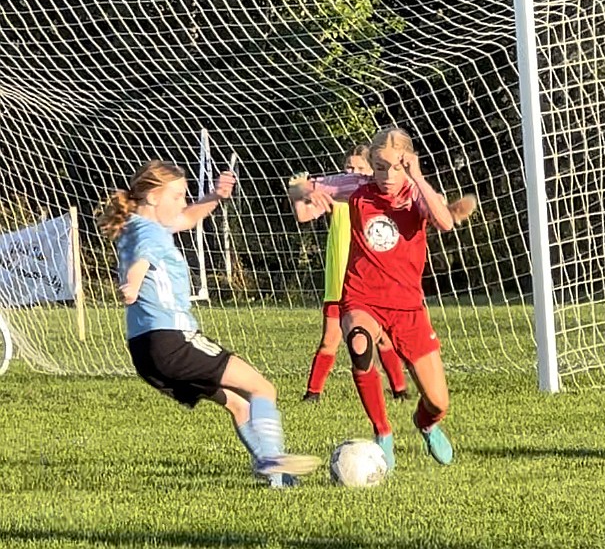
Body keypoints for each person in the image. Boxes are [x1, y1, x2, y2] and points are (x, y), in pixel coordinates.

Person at [97, 159, 320, 487]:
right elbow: (142, 259)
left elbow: (185, 219)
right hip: (173, 340)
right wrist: (132, 283)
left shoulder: (134, 224)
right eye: (177, 196)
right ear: (154, 197)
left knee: (239, 406)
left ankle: (277, 477)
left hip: (144, 349)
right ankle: (273, 464)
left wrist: (213, 196)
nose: (183, 203)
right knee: (263, 389)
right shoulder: (149, 234)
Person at [289, 129, 477, 471]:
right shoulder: (357, 188)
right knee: (359, 344)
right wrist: (302, 193)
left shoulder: (415, 193)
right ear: (371, 165)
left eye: (394, 167)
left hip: (408, 308)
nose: (386, 176)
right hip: (362, 297)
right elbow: (302, 187)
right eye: (379, 167)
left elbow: (445, 222)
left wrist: (417, 176)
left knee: (437, 402)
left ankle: (426, 424)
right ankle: (383, 432)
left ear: (407, 164)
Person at [292, 144, 409, 403]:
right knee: (329, 339)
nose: (352, 172)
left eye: (359, 168)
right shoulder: (336, 199)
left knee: (382, 338)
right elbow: (302, 215)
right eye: (348, 167)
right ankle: (312, 394)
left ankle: (400, 390)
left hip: (369, 280)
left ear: (370, 171)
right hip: (338, 281)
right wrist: (298, 185)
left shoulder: (372, 200)